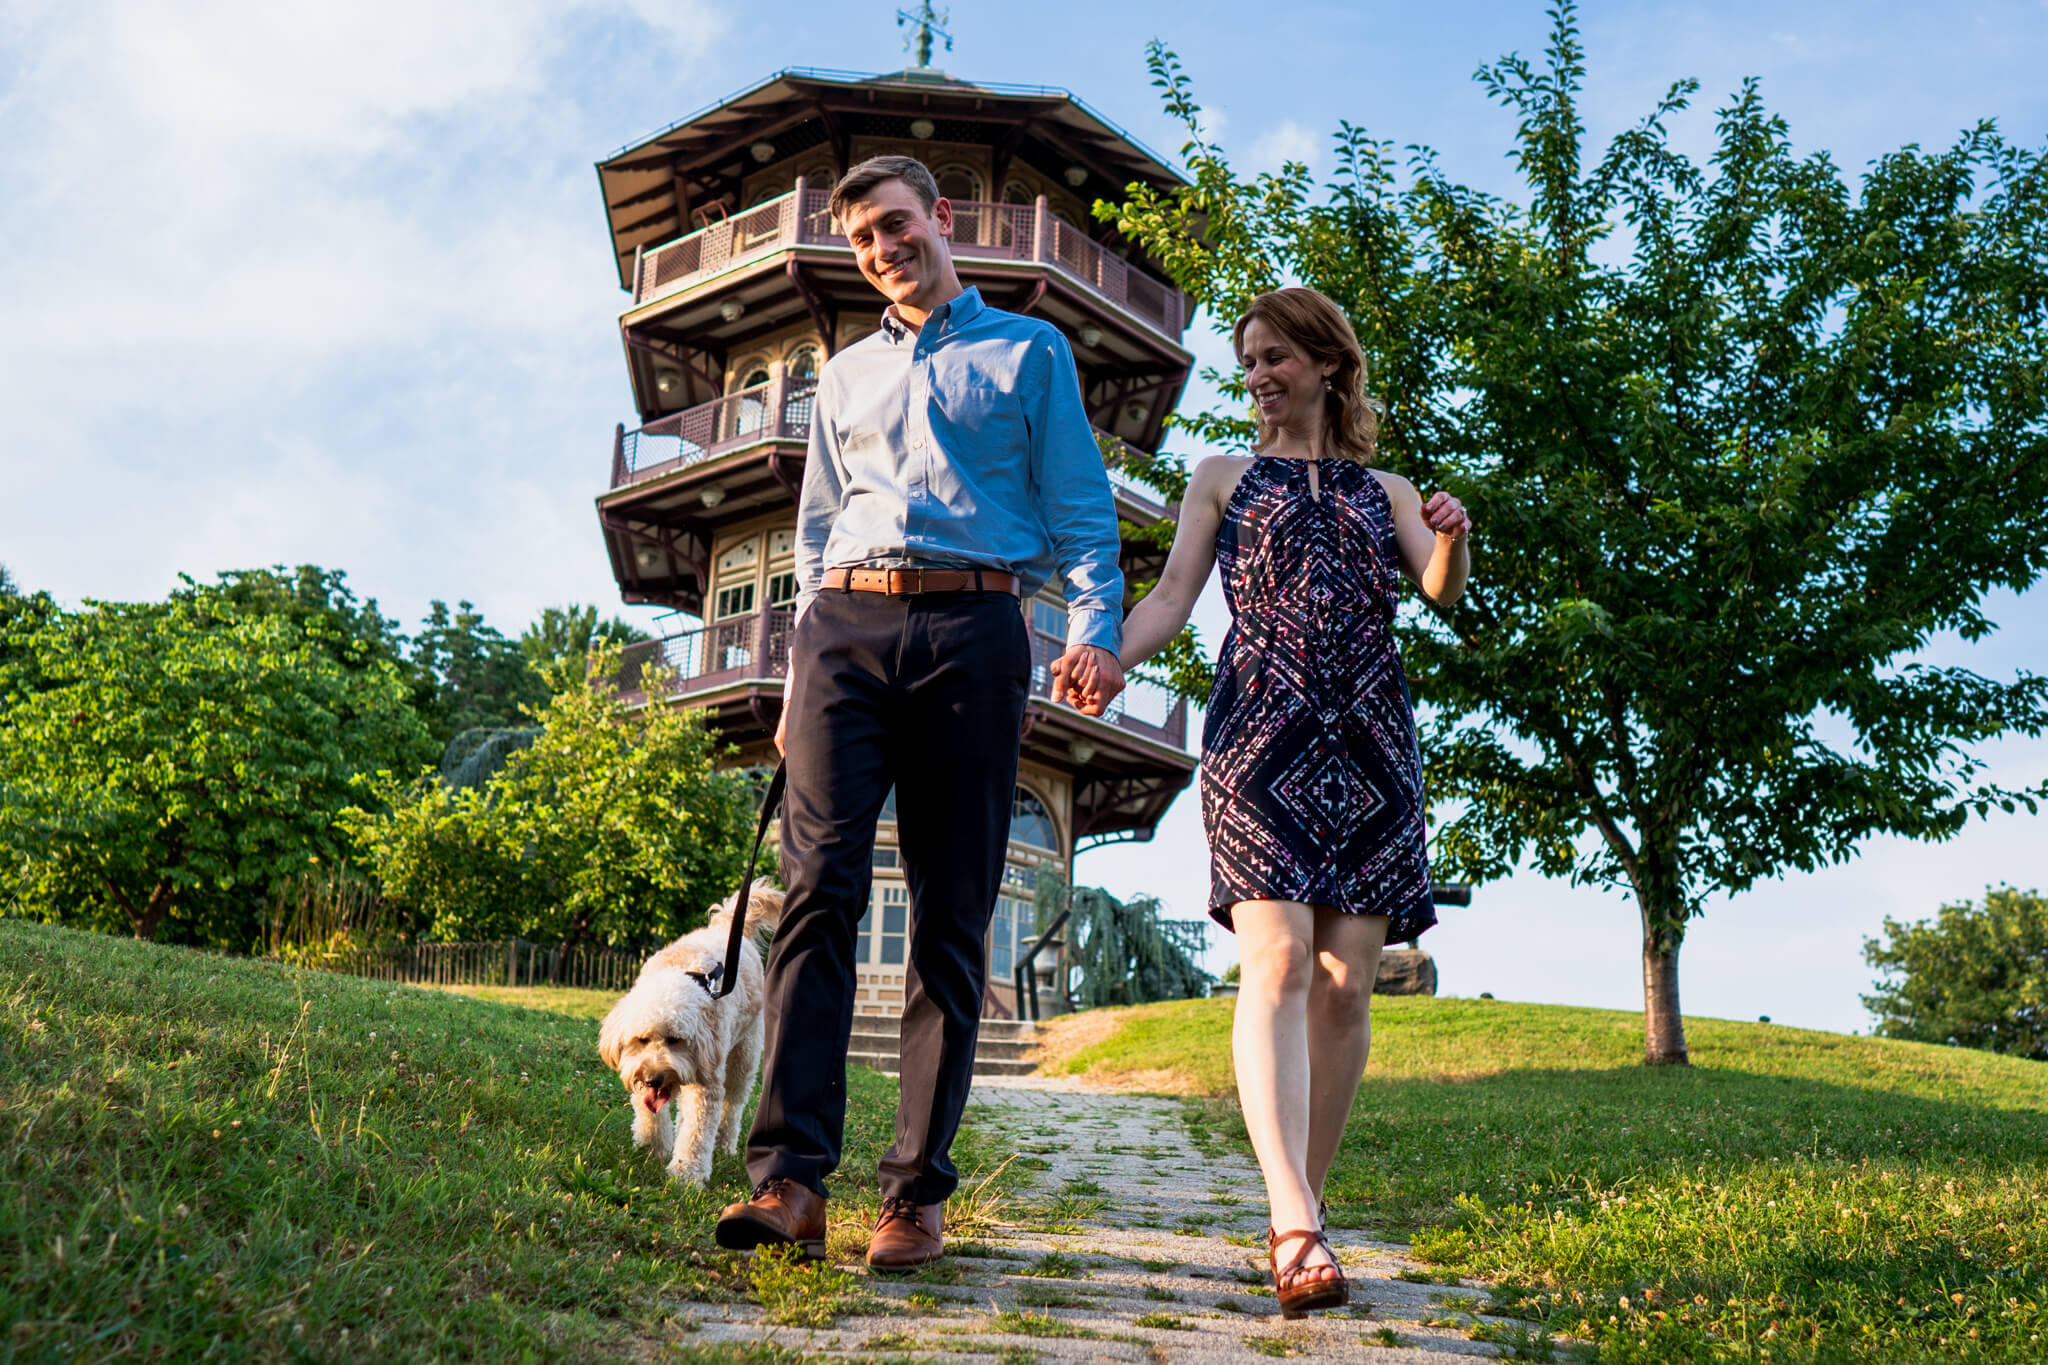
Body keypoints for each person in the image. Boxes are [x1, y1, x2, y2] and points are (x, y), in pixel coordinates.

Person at [714, 155, 1127, 1271]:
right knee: (817, 893)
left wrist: (1093, 628)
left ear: (940, 221)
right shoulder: (840, 375)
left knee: (950, 910)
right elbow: (810, 528)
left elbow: (1084, 514)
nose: (882, 249)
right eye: (861, 241)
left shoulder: (1029, 352)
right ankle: (791, 1182)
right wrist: (804, 662)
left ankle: (913, 1197)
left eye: (896, 225)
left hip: (973, 629)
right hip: (845, 629)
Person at [1065, 287, 1470, 1316]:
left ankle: (1305, 1211)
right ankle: (1292, 1222)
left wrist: (1451, 534)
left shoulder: (1386, 489)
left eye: (1277, 355)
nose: (1256, 373)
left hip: (1370, 738)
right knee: (1279, 956)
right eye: (1248, 357)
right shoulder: (1218, 478)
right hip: (1259, 729)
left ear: (1328, 366)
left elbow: (1439, 590)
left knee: (1344, 982)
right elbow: (1167, 597)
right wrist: (1108, 656)